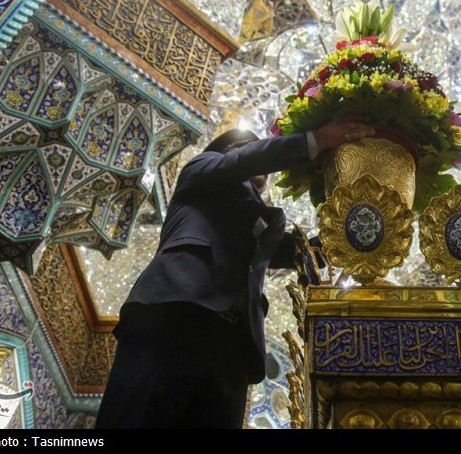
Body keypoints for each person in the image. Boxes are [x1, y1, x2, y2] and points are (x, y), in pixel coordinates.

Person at [94, 119, 375, 429]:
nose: (261, 165)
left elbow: (304, 253)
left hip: (234, 347)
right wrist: (315, 140)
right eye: (248, 148)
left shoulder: (259, 228)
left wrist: (360, 227)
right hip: (175, 318)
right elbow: (241, 162)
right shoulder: (200, 172)